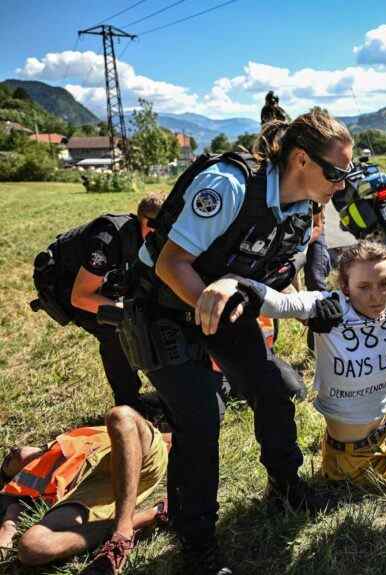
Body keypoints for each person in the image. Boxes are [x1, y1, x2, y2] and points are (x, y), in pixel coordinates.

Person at [134, 108, 353, 574]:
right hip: (164, 306)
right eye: (335, 172)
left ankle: (285, 485)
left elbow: (273, 278)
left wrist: (306, 312)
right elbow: (171, 264)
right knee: (201, 418)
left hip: (222, 306)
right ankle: (195, 544)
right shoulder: (229, 185)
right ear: (300, 160)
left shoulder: (302, 209)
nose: (341, 183)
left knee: (273, 389)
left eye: (346, 172)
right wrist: (212, 300)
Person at [195, 239, 386, 486]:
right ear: (345, 286)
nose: (376, 296)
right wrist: (233, 282)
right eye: (363, 287)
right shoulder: (328, 308)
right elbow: (280, 304)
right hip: (355, 455)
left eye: (384, 283)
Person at [30, 194, 165, 414]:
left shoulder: (146, 237)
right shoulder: (107, 239)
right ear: (150, 228)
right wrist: (126, 313)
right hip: (65, 285)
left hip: (101, 281)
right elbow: (81, 296)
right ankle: (128, 405)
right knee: (116, 328)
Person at [0, 406, 168, 574]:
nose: (12, 451)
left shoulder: (66, 439)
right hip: (94, 489)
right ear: (14, 475)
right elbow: (9, 527)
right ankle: (153, 514)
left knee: (121, 416)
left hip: (136, 451)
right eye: (8, 461)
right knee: (31, 547)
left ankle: (122, 532)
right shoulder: (23, 485)